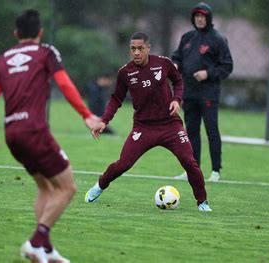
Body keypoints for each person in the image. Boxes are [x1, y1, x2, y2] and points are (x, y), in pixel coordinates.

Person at [0, 9, 100, 263]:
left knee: (45, 186)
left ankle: (45, 249)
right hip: (34, 131)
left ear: (15, 34)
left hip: (11, 134)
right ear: (40, 32)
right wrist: (86, 114)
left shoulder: (0, 60)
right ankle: (35, 242)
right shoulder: (46, 52)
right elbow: (64, 83)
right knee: (67, 188)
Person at [85, 32, 212, 212]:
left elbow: (178, 81)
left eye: (140, 48)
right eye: (133, 49)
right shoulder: (126, 72)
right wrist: (104, 120)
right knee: (123, 164)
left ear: (148, 48)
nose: (136, 52)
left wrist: (177, 99)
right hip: (144, 128)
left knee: (189, 162)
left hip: (171, 126)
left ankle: (203, 202)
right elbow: (116, 99)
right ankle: (99, 186)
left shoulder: (163, 63)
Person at [171, 2, 233, 182]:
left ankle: (215, 171)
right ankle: (192, 169)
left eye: (203, 16)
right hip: (189, 93)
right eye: (197, 16)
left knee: (211, 131)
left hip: (208, 94)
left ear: (208, 18)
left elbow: (227, 66)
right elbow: (177, 57)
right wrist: (174, 65)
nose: (199, 19)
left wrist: (208, 73)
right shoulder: (187, 37)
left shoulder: (218, 40)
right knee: (191, 132)